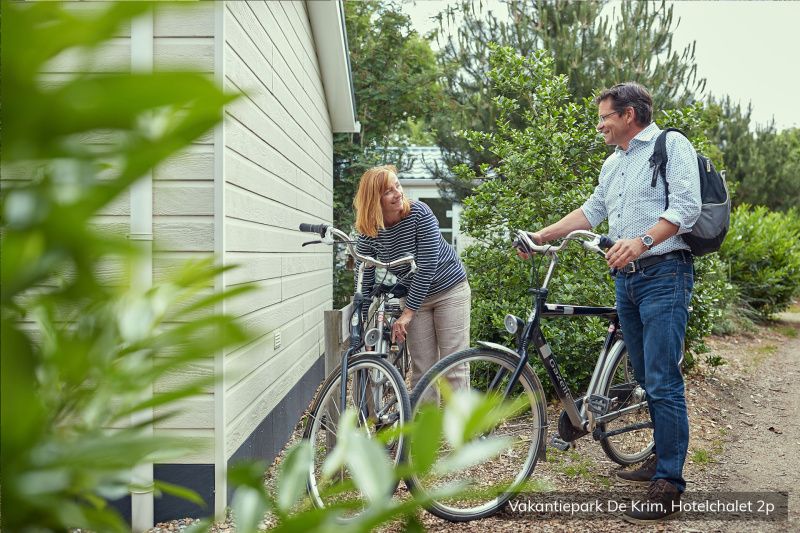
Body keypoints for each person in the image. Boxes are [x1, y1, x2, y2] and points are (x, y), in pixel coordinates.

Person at [519, 83, 701, 524]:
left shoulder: (669, 144)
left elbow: (687, 208)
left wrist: (639, 243)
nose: (599, 124)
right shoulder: (613, 163)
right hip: (627, 281)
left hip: (664, 274)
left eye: (605, 117)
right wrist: (543, 235)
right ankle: (658, 458)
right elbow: (592, 210)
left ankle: (669, 482)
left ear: (631, 114)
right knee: (643, 375)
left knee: (661, 377)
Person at [353, 165, 470, 392]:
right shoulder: (370, 230)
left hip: (449, 290)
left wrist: (407, 314)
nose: (398, 193)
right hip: (416, 298)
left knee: (454, 368)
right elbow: (364, 275)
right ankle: (426, 428)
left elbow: (426, 266)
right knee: (423, 371)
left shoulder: (419, 213)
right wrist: (362, 322)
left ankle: (464, 427)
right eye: (388, 191)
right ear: (374, 199)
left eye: (397, 185)